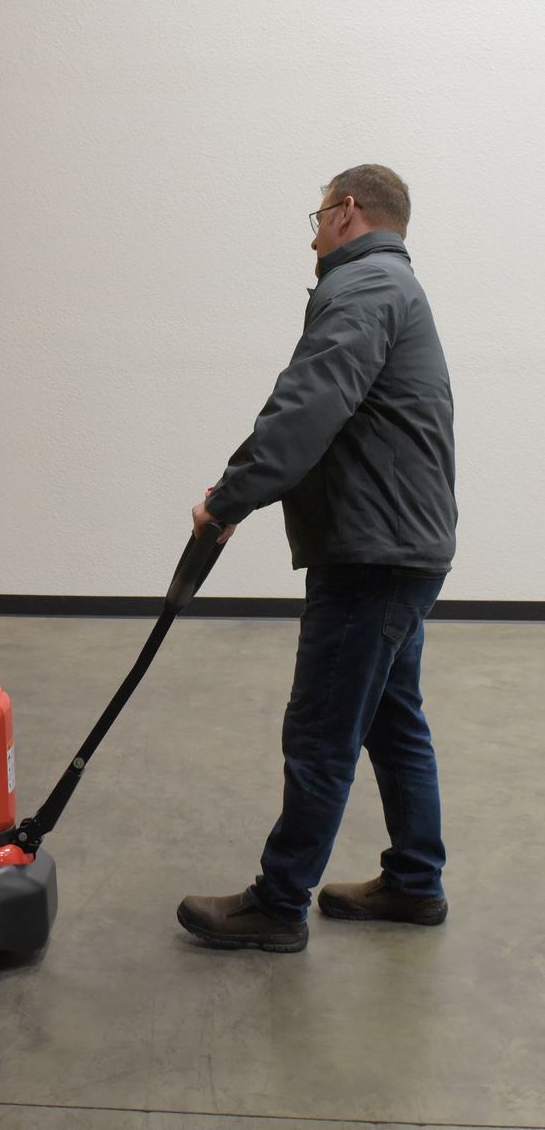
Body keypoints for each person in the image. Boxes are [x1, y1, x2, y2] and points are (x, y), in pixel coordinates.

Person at [176, 164, 458, 953]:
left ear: (346, 211)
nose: (312, 238)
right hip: (401, 545)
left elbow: (308, 405)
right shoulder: (392, 287)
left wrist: (229, 498)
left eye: (318, 217)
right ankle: (415, 881)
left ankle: (278, 903)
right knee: (392, 719)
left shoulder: (365, 288)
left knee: (322, 729)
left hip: (374, 553)